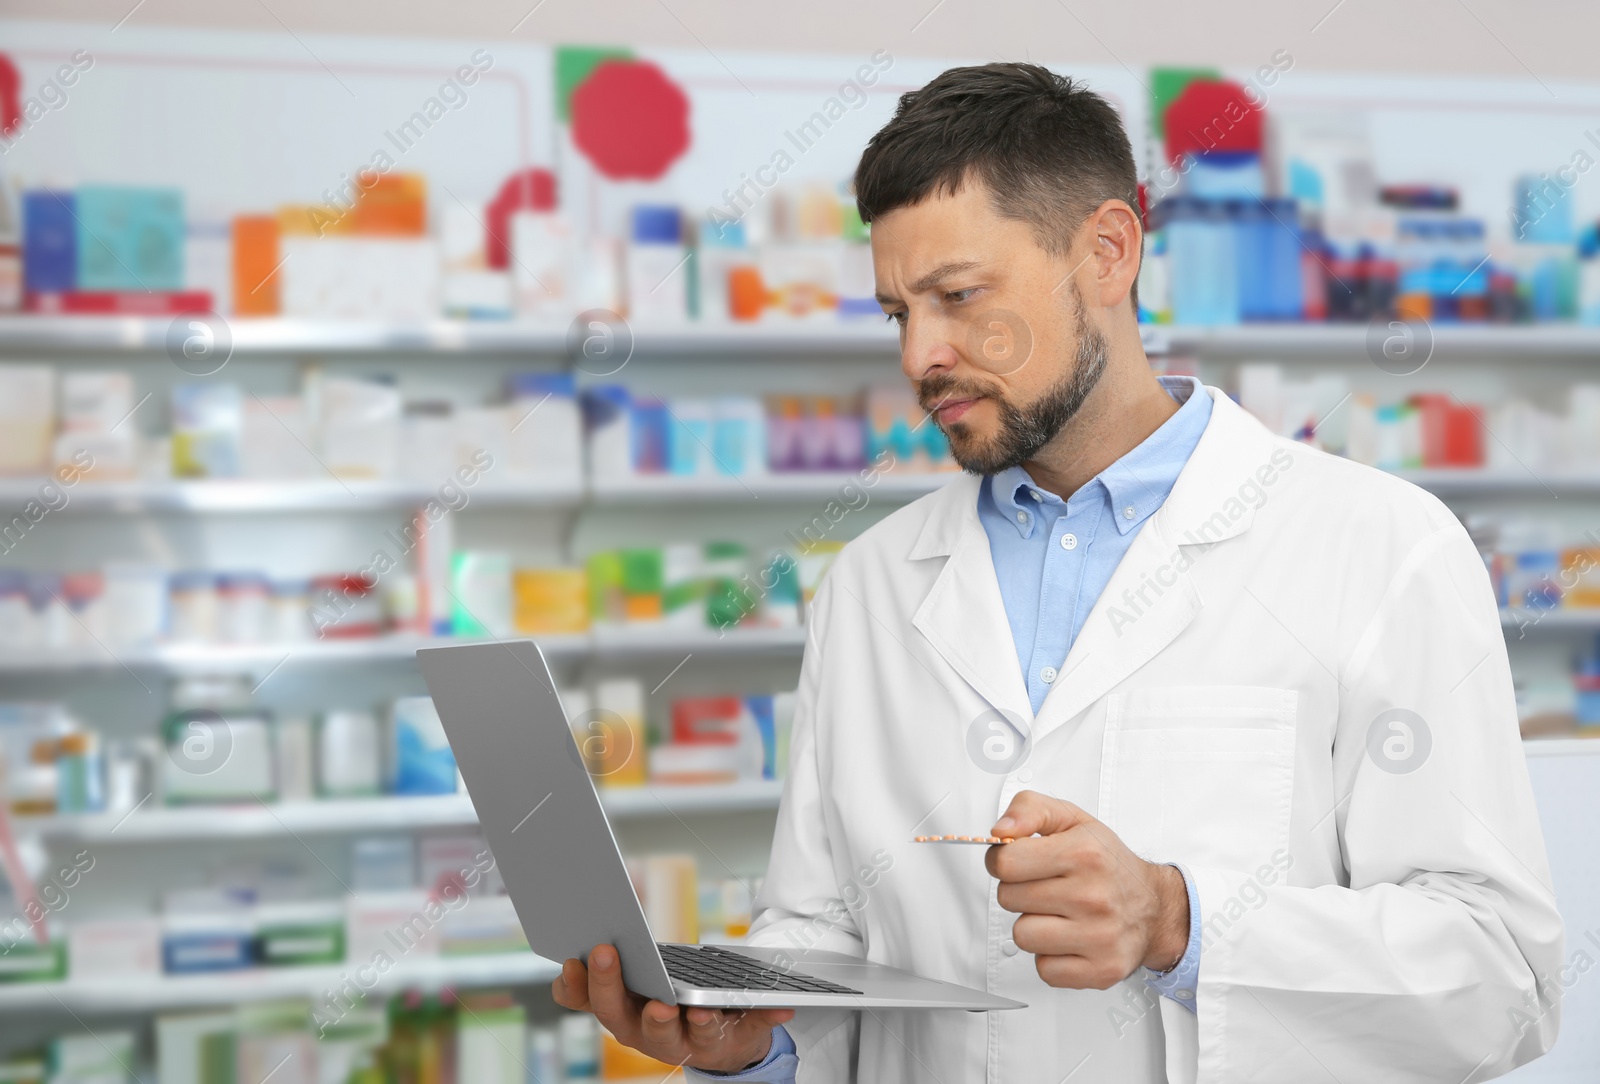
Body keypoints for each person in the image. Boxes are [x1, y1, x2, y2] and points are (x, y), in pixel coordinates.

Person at [554, 62, 1563, 1083]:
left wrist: (1178, 919)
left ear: (1107, 253)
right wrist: (756, 1043)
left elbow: (1500, 978)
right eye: (898, 313)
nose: (920, 356)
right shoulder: (871, 584)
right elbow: (823, 931)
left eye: (957, 296)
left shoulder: (1381, 546)